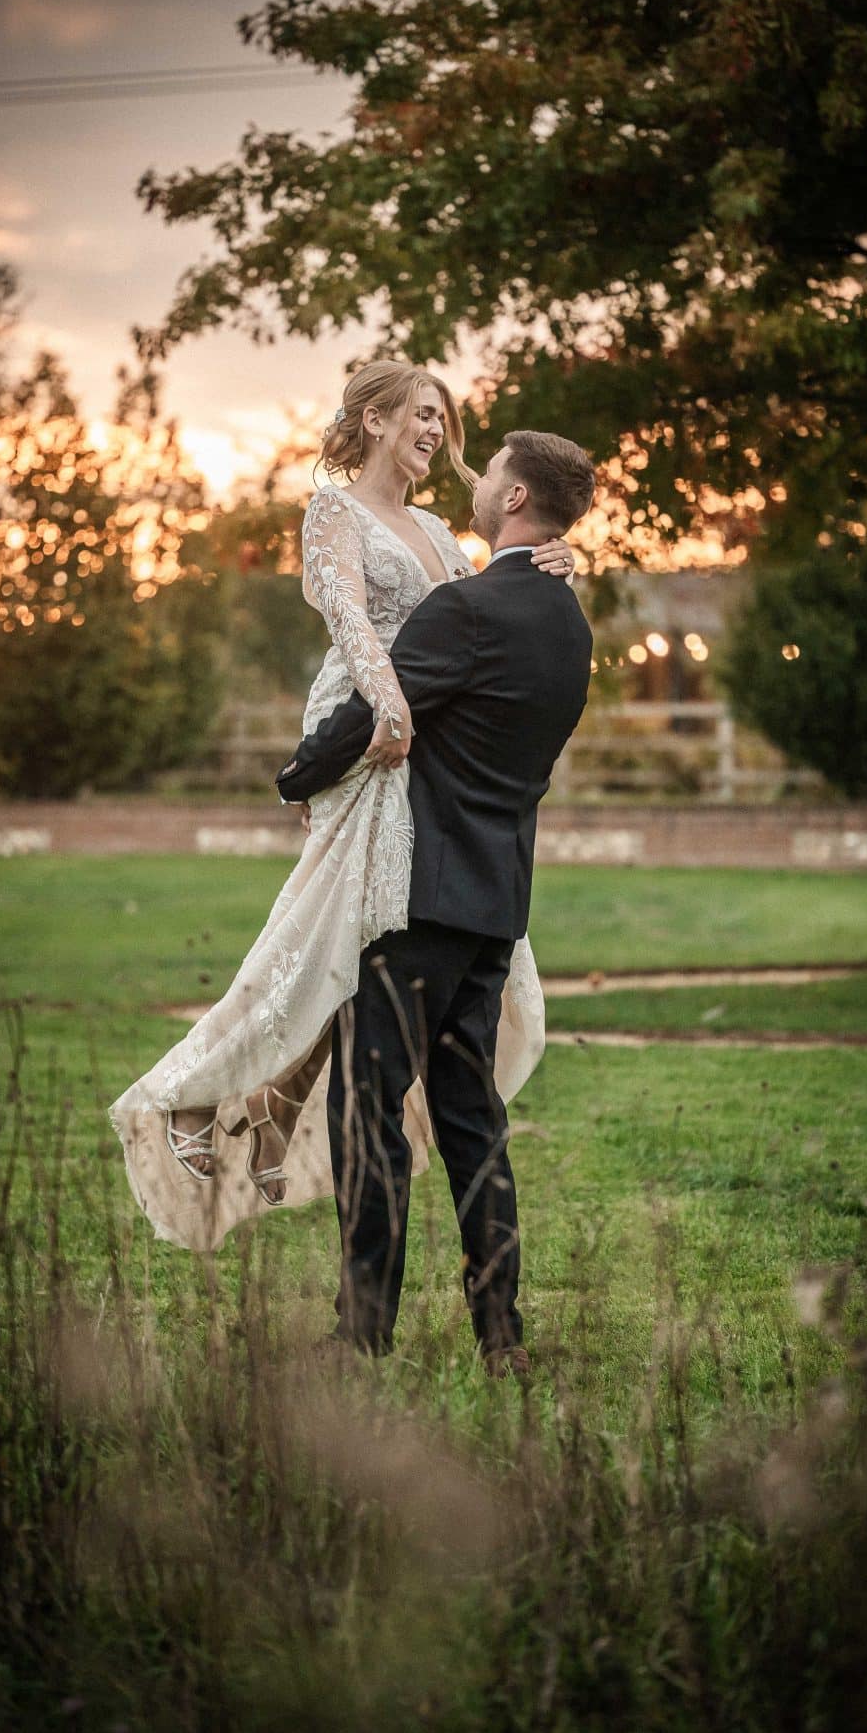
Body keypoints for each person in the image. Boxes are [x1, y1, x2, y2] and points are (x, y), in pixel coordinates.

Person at [107, 361, 576, 1253]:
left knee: (369, 945)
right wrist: (385, 714)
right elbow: (356, 622)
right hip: (363, 724)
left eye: (443, 417)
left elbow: (485, 613)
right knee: (335, 930)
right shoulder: (334, 512)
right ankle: (204, 1092)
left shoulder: (440, 529)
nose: (435, 431)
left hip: (414, 733)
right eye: (418, 413)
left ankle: (264, 1107)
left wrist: (555, 558)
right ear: (371, 420)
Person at [275, 427, 596, 1374]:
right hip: (498, 903)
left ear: (514, 502)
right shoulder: (569, 622)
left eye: (489, 469)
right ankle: (502, 1337)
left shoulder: (465, 610)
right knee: (471, 1123)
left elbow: (381, 710)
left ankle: (363, 1332)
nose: (474, 476)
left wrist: (296, 778)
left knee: (366, 1110)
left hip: (414, 904)